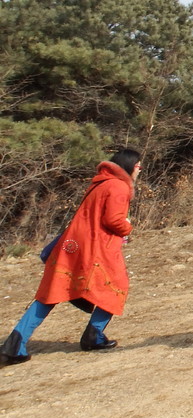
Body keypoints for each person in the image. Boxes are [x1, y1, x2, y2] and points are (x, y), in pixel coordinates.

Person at [0, 148, 142, 366]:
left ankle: (14, 344)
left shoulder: (101, 182)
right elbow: (113, 220)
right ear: (129, 165)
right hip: (96, 248)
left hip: (71, 245)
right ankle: (93, 336)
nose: (140, 168)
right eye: (138, 164)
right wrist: (128, 227)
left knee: (50, 293)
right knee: (116, 287)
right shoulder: (118, 186)